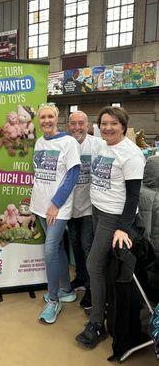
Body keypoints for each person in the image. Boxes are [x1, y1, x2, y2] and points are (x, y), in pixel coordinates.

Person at [76, 106, 145, 349]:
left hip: (113, 218)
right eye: (104, 123)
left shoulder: (132, 154)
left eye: (114, 123)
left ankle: (97, 324)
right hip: (97, 211)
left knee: (93, 264)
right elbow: (78, 134)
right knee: (102, 266)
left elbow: (134, 196)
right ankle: (102, 306)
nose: (108, 127)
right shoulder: (101, 145)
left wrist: (124, 228)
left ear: (124, 126)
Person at [30, 103, 81, 324]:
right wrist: (38, 205)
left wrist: (55, 203)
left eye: (50, 116)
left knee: (49, 250)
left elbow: (73, 174)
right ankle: (66, 290)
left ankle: (53, 300)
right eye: (43, 117)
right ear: (38, 120)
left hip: (57, 209)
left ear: (57, 118)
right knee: (58, 247)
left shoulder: (68, 142)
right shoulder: (40, 142)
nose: (47, 120)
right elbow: (40, 174)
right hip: (39, 205)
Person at [66, 111, 103, 310]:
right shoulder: (64, 143)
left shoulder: (97, 144)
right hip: (70, 207)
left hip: (90, 207)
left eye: (81, 123)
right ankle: (80, 277)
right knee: (76, 245)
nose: (77, 127)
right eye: (73, 123)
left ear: (87, 125)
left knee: (88, 247)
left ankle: (91, 288)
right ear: (68, 125)